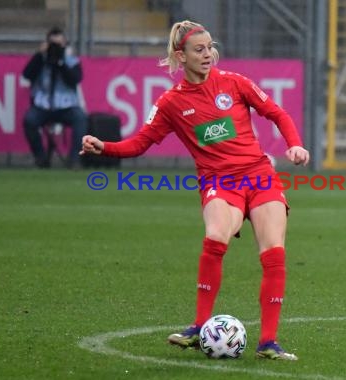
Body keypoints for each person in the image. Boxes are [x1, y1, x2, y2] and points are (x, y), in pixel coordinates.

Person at [80, 20, 309, 360]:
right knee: (217, 235)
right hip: (219, 181)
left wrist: (295, 145)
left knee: (273, 251)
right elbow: (141, 142)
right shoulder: (171, 103)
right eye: (199, 49)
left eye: (210, 47)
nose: (208, 54)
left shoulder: (234, 83)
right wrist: (107, 147)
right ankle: (200, 326)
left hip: (259, 175)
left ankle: (269, 343)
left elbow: (277, 113)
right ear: (180, 56)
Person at [22, 26, 87, 169]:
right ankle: (40, 157)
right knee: (29, 120)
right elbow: (27, 74)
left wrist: (61, 63)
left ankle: (74, 159)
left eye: (58, 45)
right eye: (53, 45)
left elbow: (75, 79)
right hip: (42, 106)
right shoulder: (41, 60)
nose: (55, 49)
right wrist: (40, 55)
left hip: (66, 106)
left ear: (65, 44)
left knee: (81, 118)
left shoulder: (71, 61)